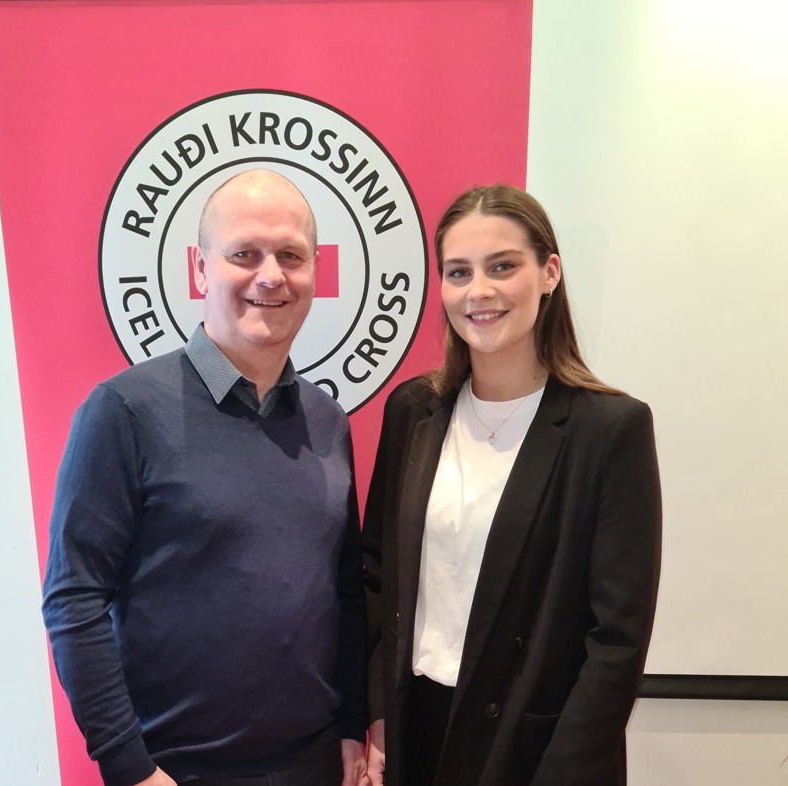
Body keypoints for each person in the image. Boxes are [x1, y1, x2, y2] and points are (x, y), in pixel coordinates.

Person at [42, 169, 368, 786]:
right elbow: (73, 599)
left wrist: (353, 720)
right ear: (199, 269)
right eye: (244, 254)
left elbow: (345, 592)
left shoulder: (328, 419)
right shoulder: (123, 411)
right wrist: (129, 767)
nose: (270, 275)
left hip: (317, 764)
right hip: (176, 772)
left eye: (291, 255)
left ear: (314, 272)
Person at [362, 184, 661, 786]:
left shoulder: (610, 430)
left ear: (549, 273)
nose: (479, 290)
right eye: (458, 272)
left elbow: (617, 640)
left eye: (502, 266)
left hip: (533, 746)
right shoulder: (412, 411)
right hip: (415, 730)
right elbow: (377, 571)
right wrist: (377, 715)